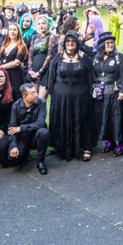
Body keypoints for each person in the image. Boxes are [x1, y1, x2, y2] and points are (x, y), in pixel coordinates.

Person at [46, 31, 95, 162]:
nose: (70, 44)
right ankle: (63, 147)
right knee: (64, 120)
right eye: (68, 41)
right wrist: (53, 94)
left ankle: (85, 147)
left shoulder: (84, 58)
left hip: (81, 97)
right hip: (61, 97)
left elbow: (91, 78)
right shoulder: (57, 58)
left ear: (77, 43)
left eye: (73, 41)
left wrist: (91, 93)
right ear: (64, 43)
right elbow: (51, 78)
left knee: (82, 120)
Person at [92, 32, 123, 157]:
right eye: (107, 43)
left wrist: (122, 90)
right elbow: (93, 74)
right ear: (102, 45)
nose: (110, 45)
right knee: (103, 117)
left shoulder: (118, 57)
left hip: (114, 92)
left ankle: (121, 143)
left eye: (112, 42)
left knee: (116, 118)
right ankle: (110, 141)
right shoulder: (96, 58)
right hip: (100, 93)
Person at [6, 83, 49, 174]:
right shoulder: (15, 106)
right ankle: (24, 154)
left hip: (35, 137)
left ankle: (40, 162)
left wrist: (21, 128)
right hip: (22, 138)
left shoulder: (42, 103)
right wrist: (13, 146)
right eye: (33, 93)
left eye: (36, 92)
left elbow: (40, 123)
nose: (36, 95)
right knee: (13, 160)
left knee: (44, 132)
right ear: (24, 96)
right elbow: (12, 128)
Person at [27, 15, 56, 99]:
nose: (41, 25)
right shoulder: (34, 37)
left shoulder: (51, 37)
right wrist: (30, 69)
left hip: (46, 70)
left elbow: (50, 56)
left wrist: (40, 72)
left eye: (43, 23)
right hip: (34, 69)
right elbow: (30, 54)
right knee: (34, 98)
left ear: (48, 25)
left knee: (41, 99)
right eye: (39, 24)